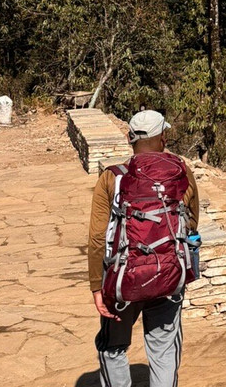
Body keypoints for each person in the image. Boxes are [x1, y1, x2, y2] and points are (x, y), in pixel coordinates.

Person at [88, 110, 199, 387]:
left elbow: (97, 239)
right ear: (163, 138)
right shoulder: (181, 171)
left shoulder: (112, 178)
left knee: (112, 347)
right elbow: (192, 222)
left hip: (123, 279)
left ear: (130, 139)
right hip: (170, 276)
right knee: (164, 349)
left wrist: (95, 286)